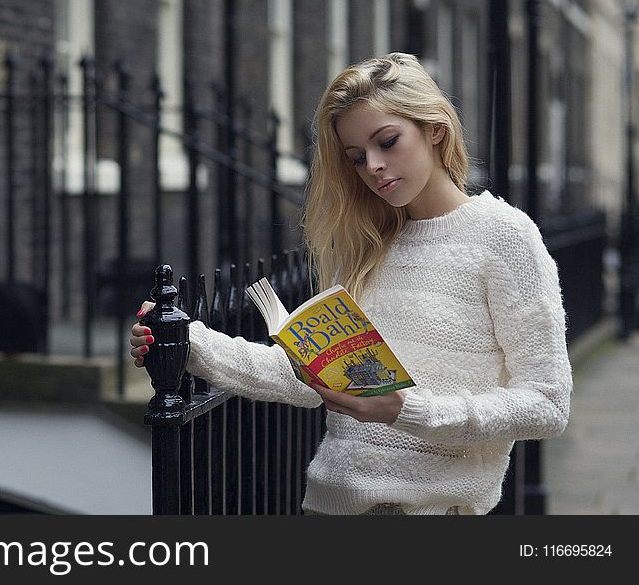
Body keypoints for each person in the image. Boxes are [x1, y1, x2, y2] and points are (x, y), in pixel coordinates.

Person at [130, 52, 572, 515]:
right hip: (328, 505)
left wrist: (406, 410)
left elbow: (547, 404)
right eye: (357, 158)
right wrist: (188, 341)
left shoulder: (503, 234)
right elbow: (306, 378)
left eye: (388, 141)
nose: (374, 167)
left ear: (435, 130)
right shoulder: (368, 244)